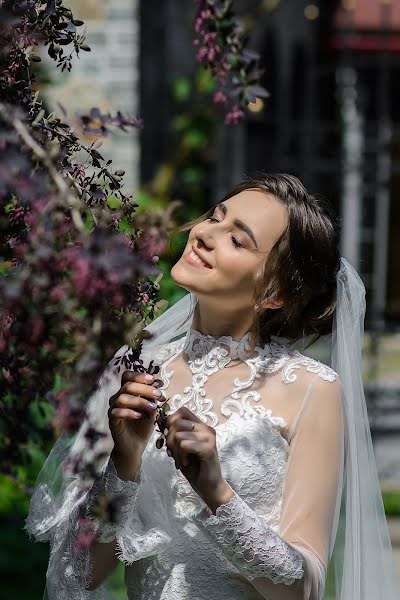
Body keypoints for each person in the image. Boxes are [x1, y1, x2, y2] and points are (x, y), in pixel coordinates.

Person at [25, 173, 399, 600]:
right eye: (215, 217)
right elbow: (73, 574)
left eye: (238, 240)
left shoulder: (313, 390)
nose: (203, 234)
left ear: (274, 292)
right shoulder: (135, 372)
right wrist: (123, 463)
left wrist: (216, 493)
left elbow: (304, 588)